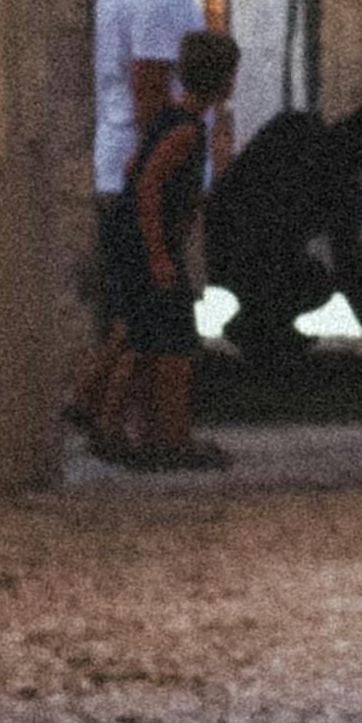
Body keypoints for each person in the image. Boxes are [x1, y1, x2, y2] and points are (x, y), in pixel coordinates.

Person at [72, 0, 212, 460]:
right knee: (158, 301)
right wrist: (164, 167)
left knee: (141, 303)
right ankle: (131, 421)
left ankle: (109, 417)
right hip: (146, 164)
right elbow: (150, 82)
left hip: (120, 160)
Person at [115, 27, 240, 469]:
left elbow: (133, 167)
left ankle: (154, 437)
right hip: (155, 245)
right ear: (221, 78)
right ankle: (172, 438)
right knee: (174, 345)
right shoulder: (186, 131)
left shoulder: (170, 119)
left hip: (149, 241)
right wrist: (158, 253)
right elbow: (147, 182)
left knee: (154, 338)